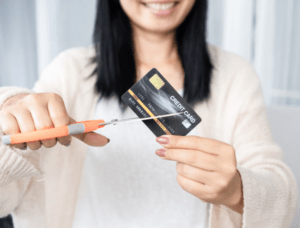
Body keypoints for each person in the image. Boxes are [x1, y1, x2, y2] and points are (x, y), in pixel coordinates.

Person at [0, 0, 297, 227]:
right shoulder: (68, 71)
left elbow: (282, 197)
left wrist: (238, 190)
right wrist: (8, 110)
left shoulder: (234, 75)